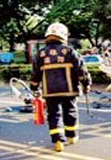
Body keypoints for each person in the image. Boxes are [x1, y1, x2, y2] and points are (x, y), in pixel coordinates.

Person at [30, 22, 91, 152]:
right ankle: (71, 136)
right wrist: (86, 85)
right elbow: (81, 71)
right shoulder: (70, 52)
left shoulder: (40, 54)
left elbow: (35, 74)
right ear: (64, 36)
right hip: (69, 90)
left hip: (50, 92)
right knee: (70, 111)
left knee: (54, 115)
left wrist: (34, 87)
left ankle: (58, 140)